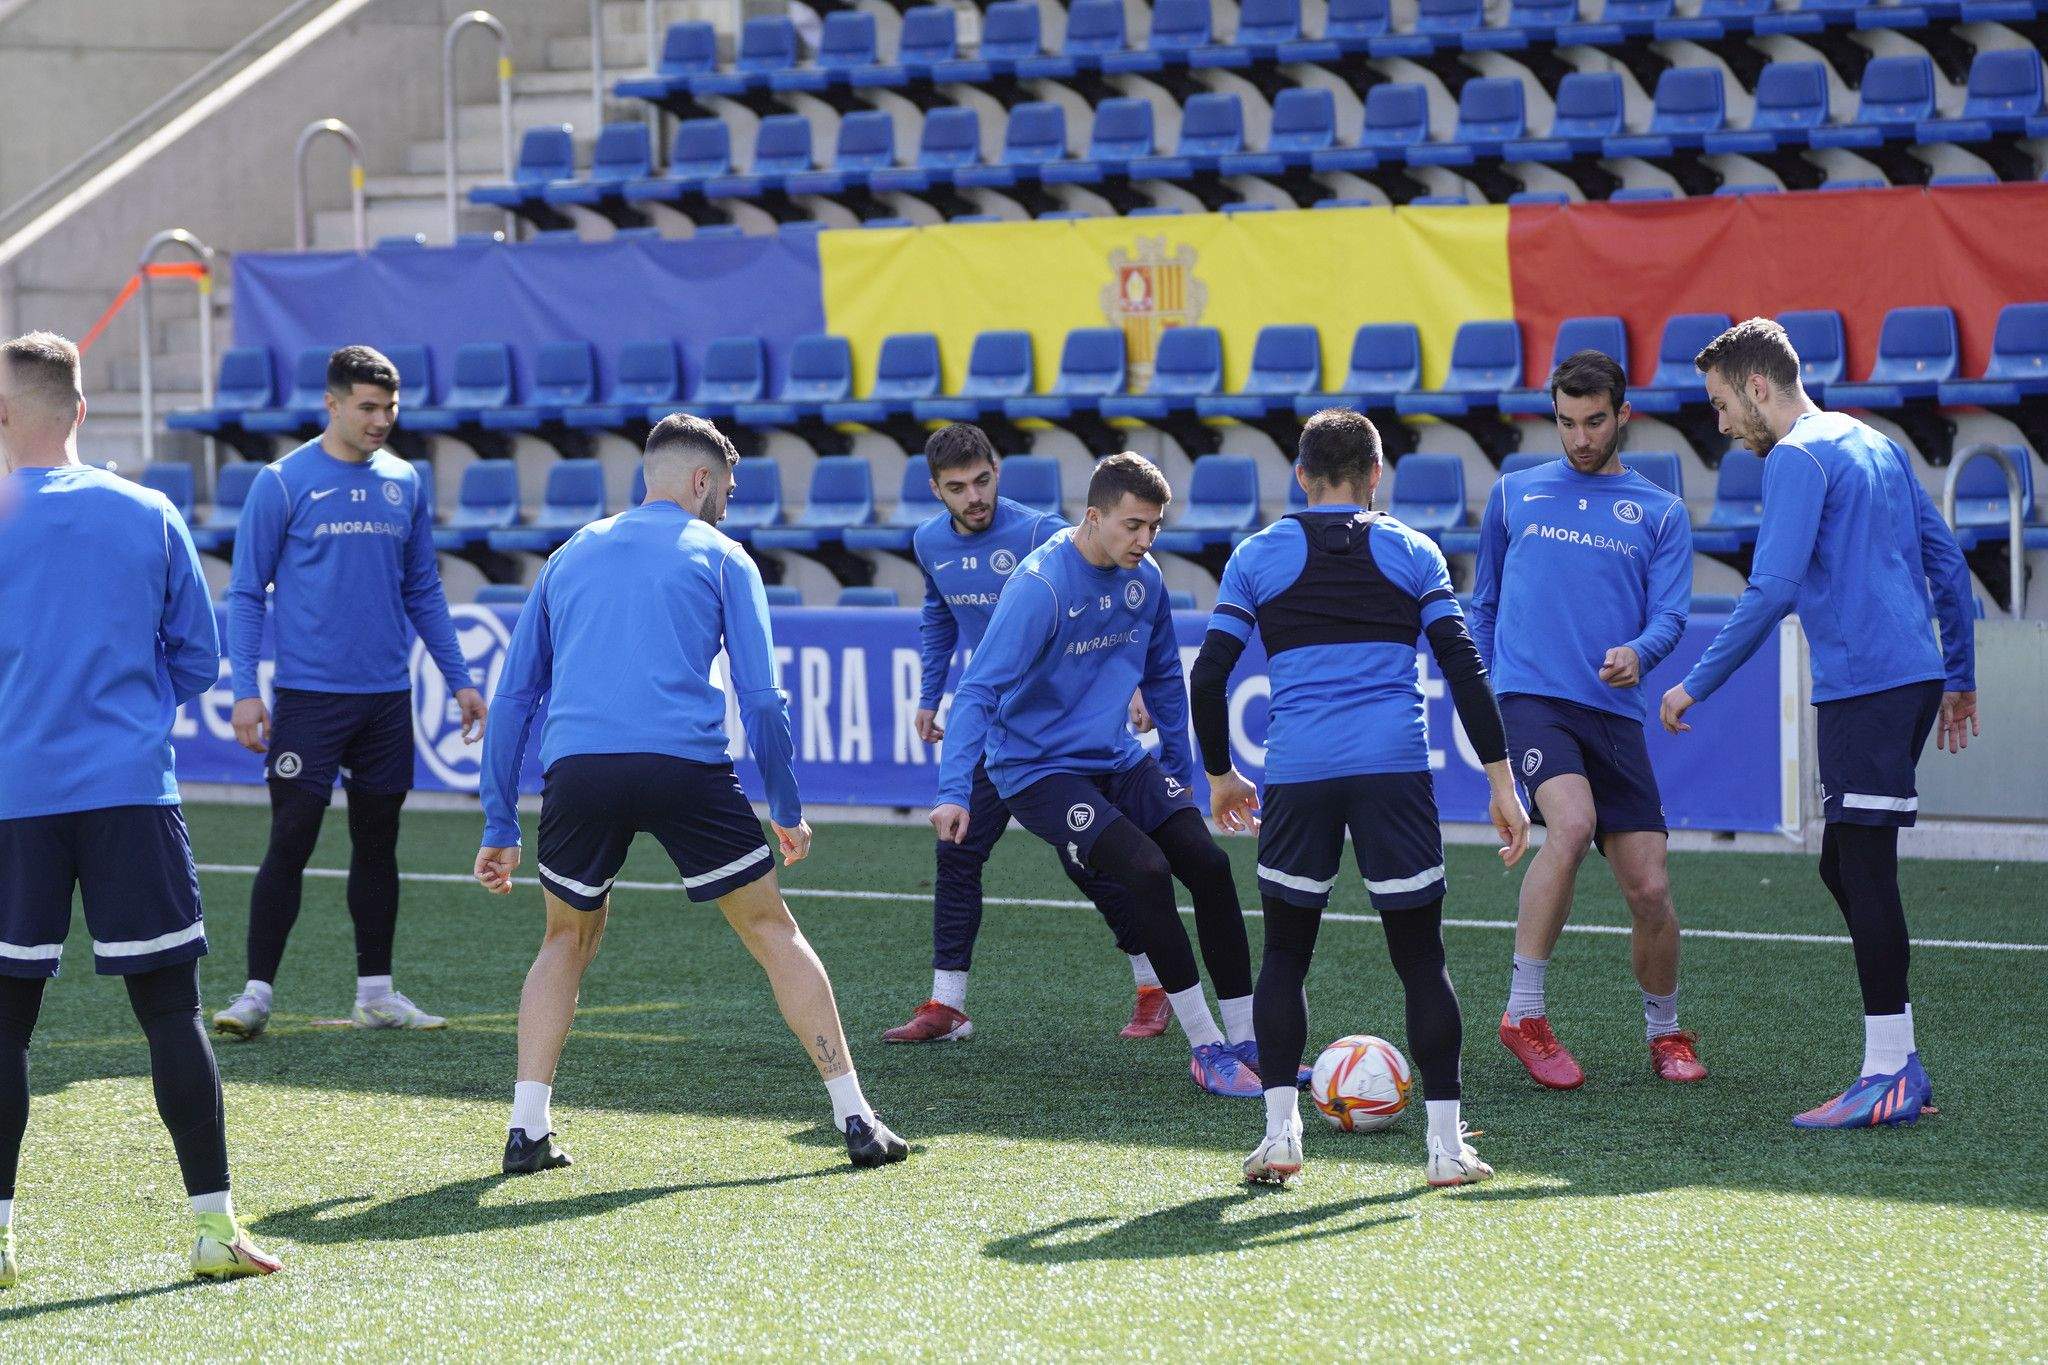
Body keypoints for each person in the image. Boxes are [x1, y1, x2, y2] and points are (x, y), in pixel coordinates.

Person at [475, 414, 908, 1173]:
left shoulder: (569, 553)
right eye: (729, 490)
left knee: (563, 940)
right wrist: (787, 803)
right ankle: (857, 1119)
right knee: (774, 932)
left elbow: (513, 700)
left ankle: (526, 1129)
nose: (729, 506)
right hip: (685, 766)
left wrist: (497, 819)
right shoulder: (722, 555)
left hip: (580, 768)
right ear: (702, 480)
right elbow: (763, 698)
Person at [0, 332, 279, 1282]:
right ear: (82, 410)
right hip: (131, 794)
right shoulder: (149, 511)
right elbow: (198, 661)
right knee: (170, 1011)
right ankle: (215, 1229)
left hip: (12, 804)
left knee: (4, 1024)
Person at [1191, 409, 1530, 1188]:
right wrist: (1502, 781)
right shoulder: (1412, 550)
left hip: (1300, 772)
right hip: (1393, 772)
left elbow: (1207, 677)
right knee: (1420, 959)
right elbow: (1465, 667)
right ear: (1377, 475)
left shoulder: (1258, 555)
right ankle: (1446, 1148)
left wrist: (1220, 775)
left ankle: (1281, 1136)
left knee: (1284, 953)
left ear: (1302, 476)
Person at [1660, 318, 1977, 1129]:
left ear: (1758, 387)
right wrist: (1960, 674)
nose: (1723, 424)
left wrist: (1692, 684)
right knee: (1843, 864)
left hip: (1866, 689)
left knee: (1863, 870)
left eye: (1725, 404)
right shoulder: (1871, 443)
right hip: (1901, 681)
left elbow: (1769, 590)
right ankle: (1897, 1057)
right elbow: (1944, 559)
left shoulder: (1798, 455)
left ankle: (1891, 1071)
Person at [930, 453, 1264, 1099]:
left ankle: (1251, 1042)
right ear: (1093, 516)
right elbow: (974, 693)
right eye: (1133, 525)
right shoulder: (1042, 587)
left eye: (1155, 526)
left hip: (1117, 755)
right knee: (1144, 868)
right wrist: (951, 790)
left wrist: (1180, 773)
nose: (1145, 539)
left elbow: (1166, 675)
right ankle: (1207, 1048)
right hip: (1037, 770)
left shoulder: (1147, 578)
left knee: (1209, 863)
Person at [214, 346, 485, 1040]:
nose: (382, 420)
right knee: (292, 838)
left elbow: (422, 588)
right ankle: (255, 994)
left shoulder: (405, 481)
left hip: (386, 700)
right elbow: (246, 593)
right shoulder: (282, 482)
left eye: (390, 407)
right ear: (332, 403)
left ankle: (376, 993)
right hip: (309, 699)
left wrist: (458, 678)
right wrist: (246, 690)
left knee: (378, 841)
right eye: (367, 406)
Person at [1468, 351, 1706, 1090]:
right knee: (1568, 824)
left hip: (1613, 714)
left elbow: (1670, 613)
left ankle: (1665, 1031)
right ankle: (1524, 1012)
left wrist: (1641, 651)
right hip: (1533, 700)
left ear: (1622, 415)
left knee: (1650, 890)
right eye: (1566, 422)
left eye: (1593, 420)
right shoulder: (1513, 496)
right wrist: (1487, 693)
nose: (1578, 436)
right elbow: (1482, 606)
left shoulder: (1661, 512)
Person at [886, 423, 1165, 1045]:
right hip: (989, 728)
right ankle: (947, 1005)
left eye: (982, 481)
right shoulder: (929, 542)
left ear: (997, 472)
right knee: (956, 849)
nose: (973, 496)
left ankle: (1153, 987)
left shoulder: (1044, 532)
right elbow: (938, 617)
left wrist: (1139, 682)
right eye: (957, 488)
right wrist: (931, 696)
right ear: (936, 489)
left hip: (1055, 735)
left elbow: (1124, 595)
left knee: (1088, 863)